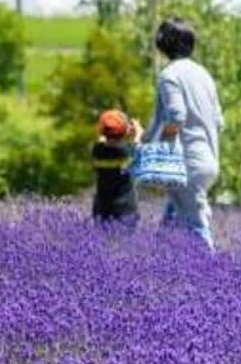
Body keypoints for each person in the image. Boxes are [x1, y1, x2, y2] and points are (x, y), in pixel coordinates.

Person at [147, 17, 223, 248]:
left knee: (196, 229)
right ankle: (157, 270)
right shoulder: (204, 75)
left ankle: (214, 277)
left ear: (163, 44)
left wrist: (158, 143)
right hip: (208, 162)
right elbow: (219, 121)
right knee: (170, 224)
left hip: (186, 165)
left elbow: (176, 117)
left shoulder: (169, 75)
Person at [91, 109, 140, 225]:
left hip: (102, 207)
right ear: (125, 131)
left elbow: (102, 140)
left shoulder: (97, 151)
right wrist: (137, 132)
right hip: (125, 209)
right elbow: (138, 147)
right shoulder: (126, 152)